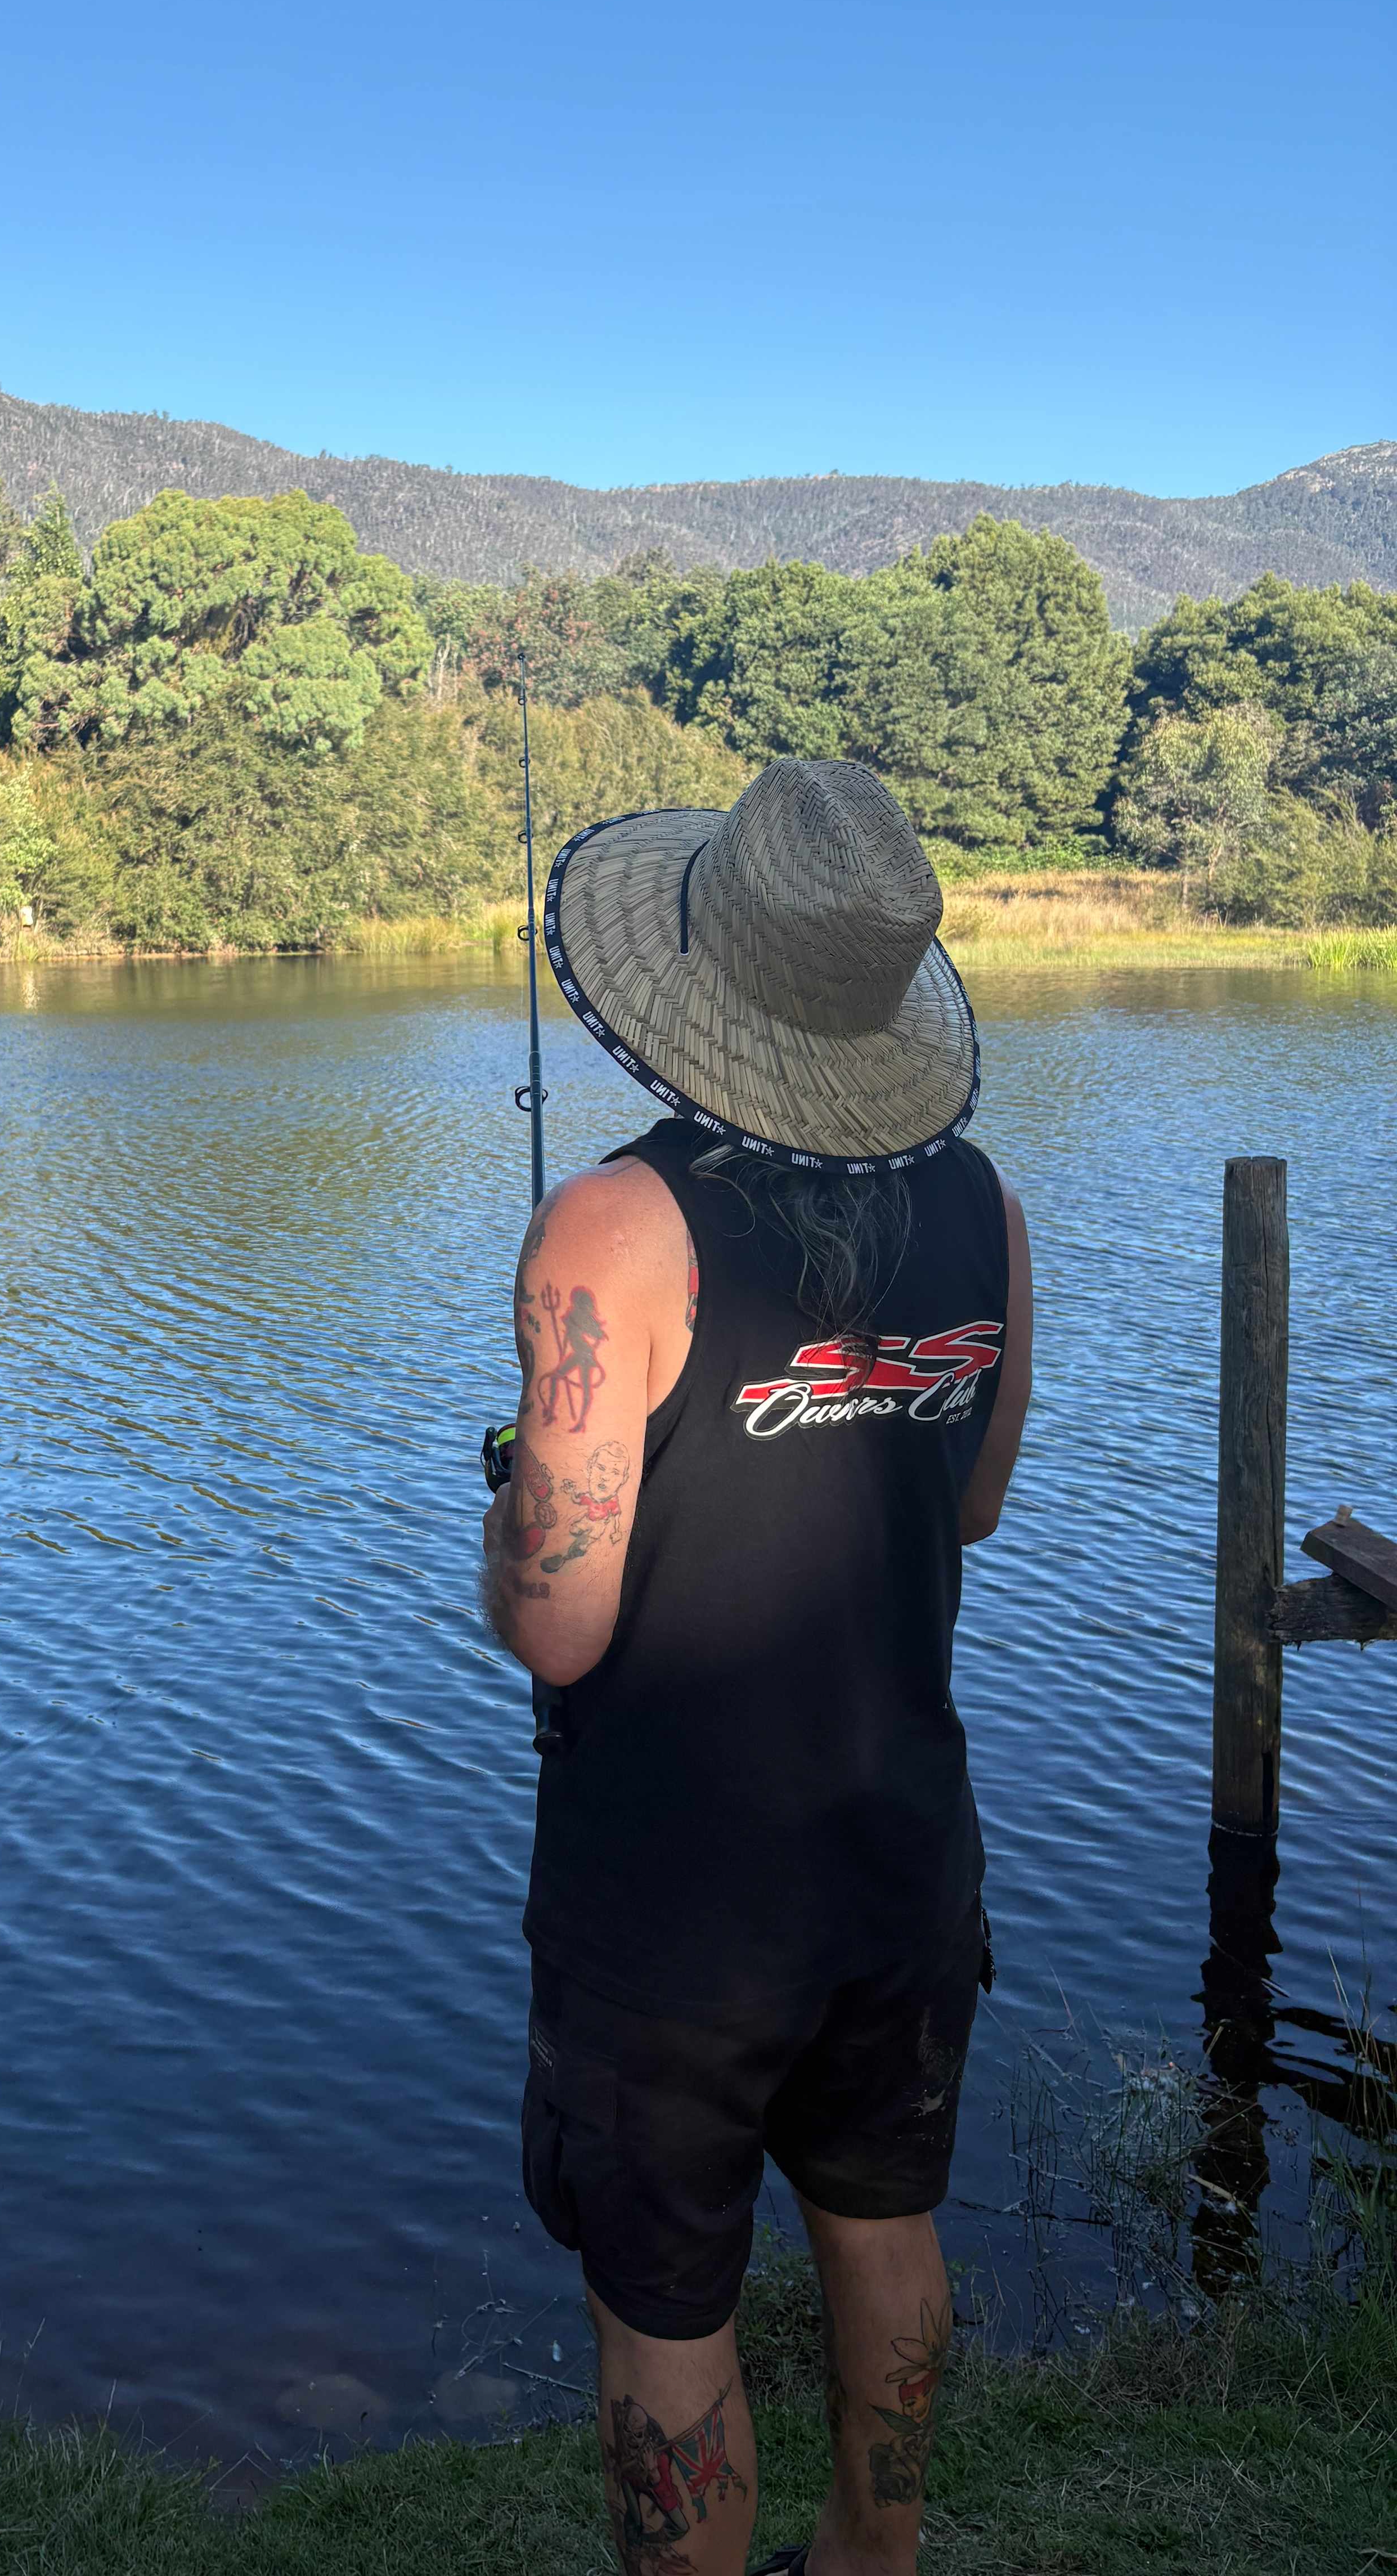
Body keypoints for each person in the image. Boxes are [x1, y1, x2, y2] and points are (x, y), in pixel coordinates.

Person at [480, 758, 1032, 2576]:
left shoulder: (608, 1234)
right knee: (885, 2223)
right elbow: (969, 1506)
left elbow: (557, 1613)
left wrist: (514, 1497)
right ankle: (881, 2560)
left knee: (665, 2296)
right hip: (901, 1845)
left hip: (679, 1897)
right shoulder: (988, 1211)